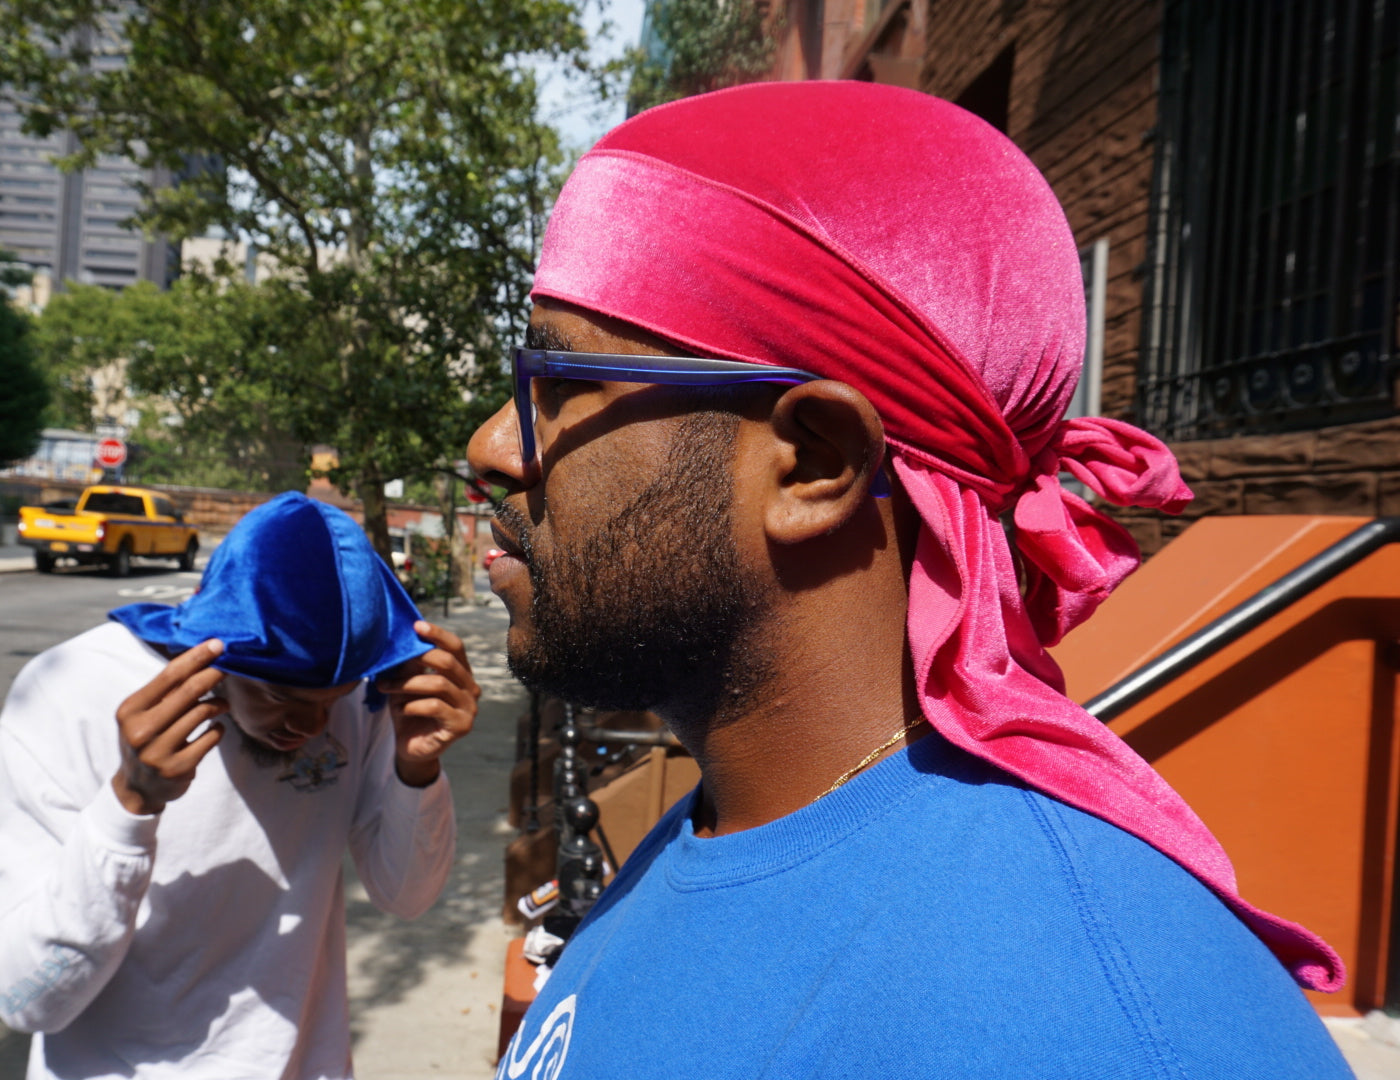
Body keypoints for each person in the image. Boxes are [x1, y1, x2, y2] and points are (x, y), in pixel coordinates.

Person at [468, 83, 1353, 1078]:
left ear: (812, 463)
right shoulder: (725, 822)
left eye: (555, 386)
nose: (493, 447)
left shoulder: (1098, 1033)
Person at [0, 492, 480, 1080]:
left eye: (331, 701)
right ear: (210, 647)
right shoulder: (68, 691)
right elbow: (23, 999)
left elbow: (407, 896)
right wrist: (129, 806)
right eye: (279, 696)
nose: (312, 727)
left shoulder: (360, 702)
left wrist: (417, 769)